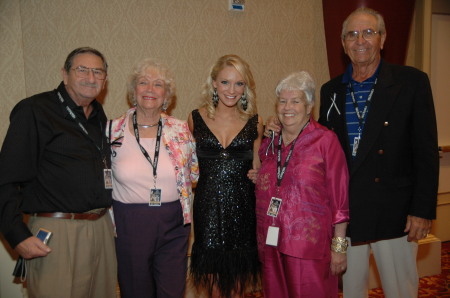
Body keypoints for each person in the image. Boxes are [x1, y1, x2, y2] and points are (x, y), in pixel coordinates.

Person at [266, 7, 439, 298]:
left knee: (401, 290)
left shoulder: (411, 82)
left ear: (382, 39)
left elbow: (425, 150)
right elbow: (316, 144)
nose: (360, 40)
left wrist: (421, 210)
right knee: (351, 291)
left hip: (394, 212)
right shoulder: (331, 89)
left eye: (369, 32)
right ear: (344, 44)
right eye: (352, 35)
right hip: (347, 216)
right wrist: (281, 127)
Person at [0, 47, 117, 297]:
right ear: (65, 74)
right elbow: (6, 178)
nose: (91, 77)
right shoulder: (35, 110)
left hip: (100, 228)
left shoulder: (98, 116)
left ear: (105, 80)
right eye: (82, 70)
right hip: (57, 230)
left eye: (98, 72)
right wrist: (16, 234)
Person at [107, 58, 199, 297]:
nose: (150, 89)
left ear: (166, 95)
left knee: (172, 290)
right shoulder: (111, 130)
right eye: (143, 82)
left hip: (174, 222)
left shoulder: (180, 130)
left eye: (158, 84)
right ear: (133, 91)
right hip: (131, 222)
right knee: (136, 289)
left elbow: (194, 171)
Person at [255, 71, 349, 298]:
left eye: (296, 101)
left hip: (308, 247)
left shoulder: (325, 141)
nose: (288, 107)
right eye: (283, 101)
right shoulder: (271, 141)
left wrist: (338, 247)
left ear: (309, 106)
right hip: (271, 241)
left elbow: (341, 198)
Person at [188, 54, 263, 297]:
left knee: (239, 286)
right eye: (225, 82)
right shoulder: (194, 119)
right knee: (213, 287)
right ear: (213, 83)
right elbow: (183, 164)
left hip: (243, 209)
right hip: (207, 209)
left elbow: (259, 166)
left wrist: (259, 174)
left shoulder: (256, 122)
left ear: (246, 87)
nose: (232, 90)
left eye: (239, 83)